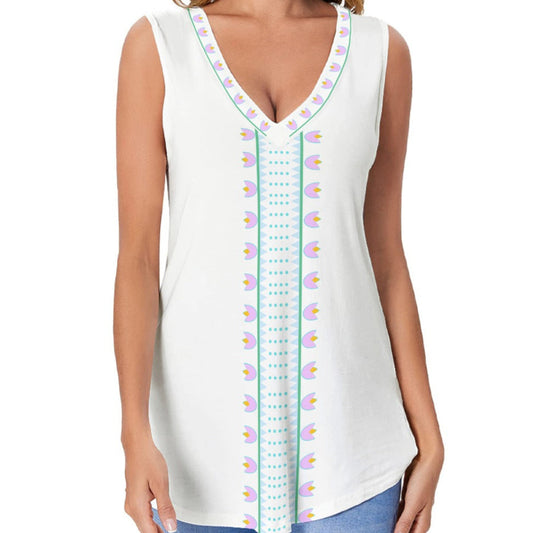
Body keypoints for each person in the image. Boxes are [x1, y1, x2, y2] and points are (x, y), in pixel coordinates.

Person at [113, 1, 444, 532]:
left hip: (357, 455)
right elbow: (137, 260)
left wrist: (429, 438)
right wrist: (134, 432)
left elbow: (386, 259)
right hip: (197, 460)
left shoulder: (380, 52)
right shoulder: (161, 46)